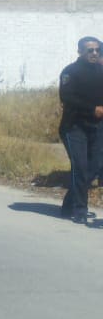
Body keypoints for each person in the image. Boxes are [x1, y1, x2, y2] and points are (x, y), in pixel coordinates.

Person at [58, 36, 103, 223]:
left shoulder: (101, 71)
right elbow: (66, 97)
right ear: (80, 52)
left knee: (95, 167)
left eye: (96, 50)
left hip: (97, 126)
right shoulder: (71, 71)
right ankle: (80, 210)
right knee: (80, 167)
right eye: (89, 50)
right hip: (74, 127)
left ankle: (69, 203)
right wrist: (92, 108)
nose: (94, 53)